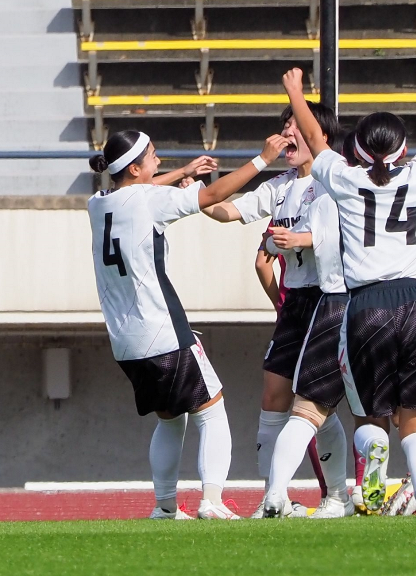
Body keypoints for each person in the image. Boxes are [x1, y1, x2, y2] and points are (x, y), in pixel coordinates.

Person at [282, 37, 416, 522]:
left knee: (369, 415)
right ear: (403, 147)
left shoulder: (346, 179)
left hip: (366, 304)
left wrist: (296, 94)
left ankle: (372, 468)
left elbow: (317, 140)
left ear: (358, 148)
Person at [87, 130, 276, 520]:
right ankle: (212, 501)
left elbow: (139, 190)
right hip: (162, 331)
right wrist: (263, 159)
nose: (159, 160)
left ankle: (164, 506)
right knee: (212, 411)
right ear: (135, 168)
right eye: (153, 155)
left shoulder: (98, 202)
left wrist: (182, 171)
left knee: (171, 421)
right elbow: (212, 195)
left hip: (125, 342)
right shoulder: (148, 199)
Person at [201, 104, 357, 518]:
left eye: (295, 128)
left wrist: (299, 240)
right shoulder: (280, 186)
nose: (288, 135)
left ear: (318, 135)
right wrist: (197, 194)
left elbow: (348, 235)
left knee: (316, 405)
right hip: (297, 302)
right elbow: (224, 211)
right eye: (284, 128)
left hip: (330, 298)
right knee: (274, 397)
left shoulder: (336, 178)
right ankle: (276, 498)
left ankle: (337, 494)